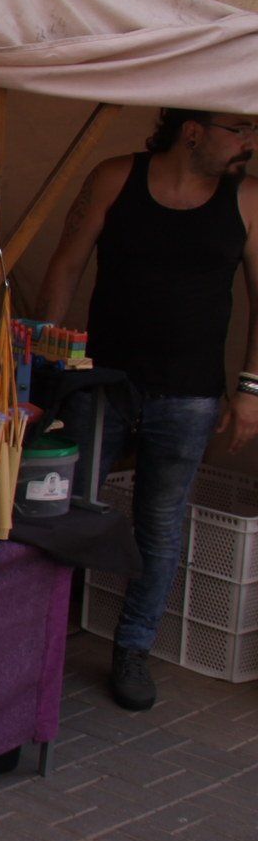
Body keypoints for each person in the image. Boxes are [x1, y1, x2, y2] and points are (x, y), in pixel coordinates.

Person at [40, 108, 258, 713]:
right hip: (103, 382)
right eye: (239, 129)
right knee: (61, 508)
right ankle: (37, 633)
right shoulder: (117, 177)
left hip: (190, 394)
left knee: (159, 525)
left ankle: (133, 648)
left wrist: (251, 390)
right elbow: (66, 263)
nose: (249, 142)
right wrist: (41, 359)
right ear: (193, 130)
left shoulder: (247, 199)